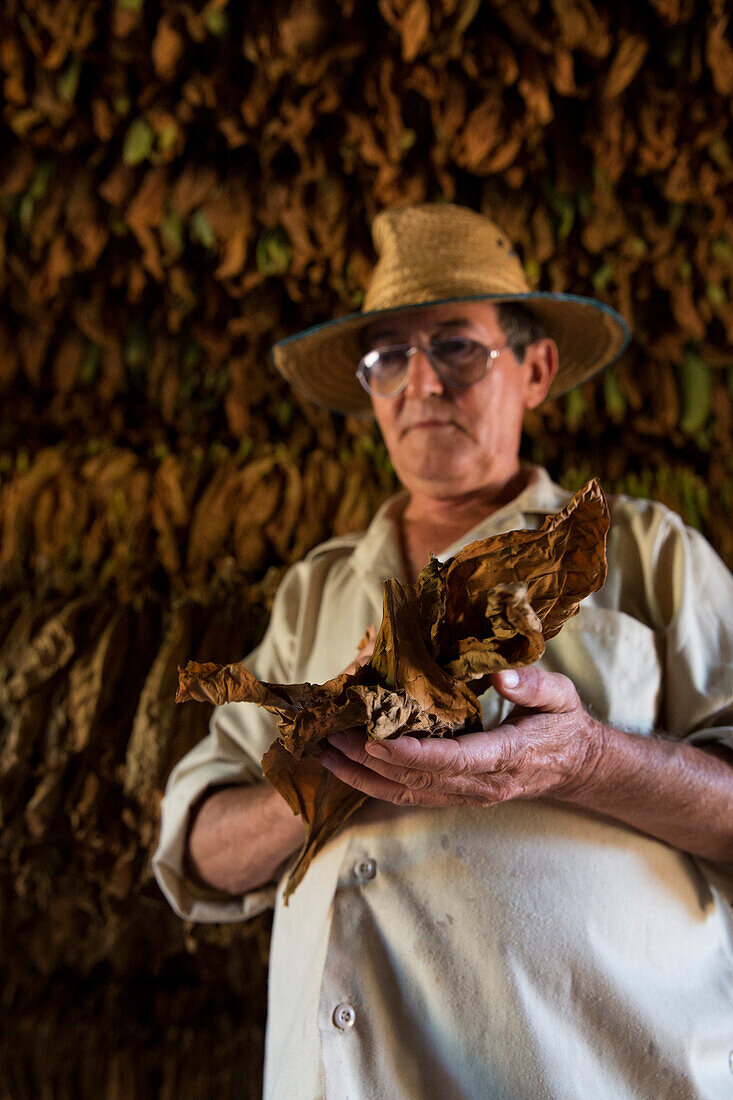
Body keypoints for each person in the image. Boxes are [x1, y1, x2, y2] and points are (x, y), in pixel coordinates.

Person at [153, 204, 733, 1100]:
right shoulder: (316, 590)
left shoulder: (649, 555)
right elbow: (195, 847)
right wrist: (322, 776)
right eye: (388, 358)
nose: (421, 382)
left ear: (535, 370)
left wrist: (586, 760)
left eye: (456, 347)